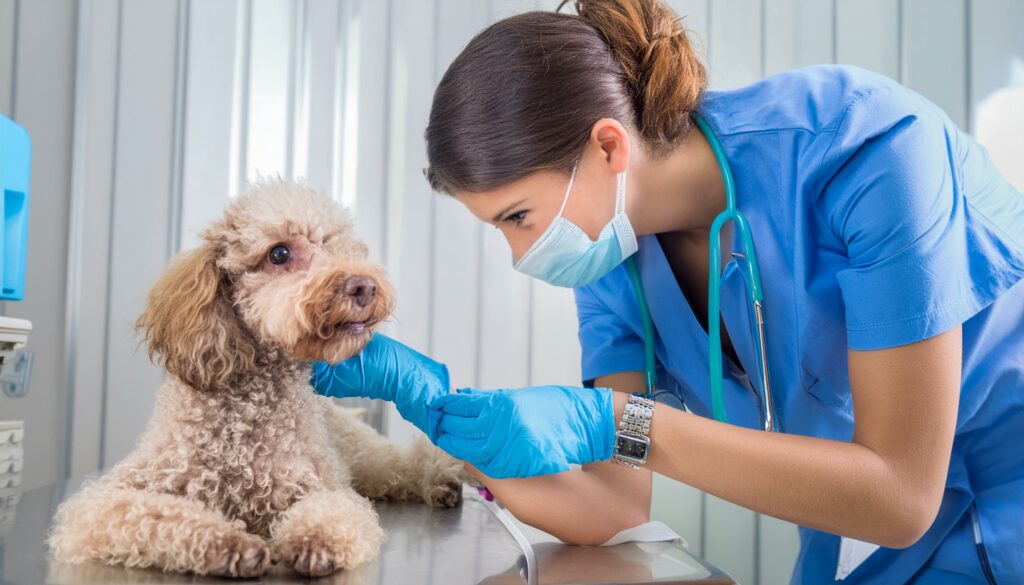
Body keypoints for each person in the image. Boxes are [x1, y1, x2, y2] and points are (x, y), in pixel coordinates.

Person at [311, 1, 1024, 583]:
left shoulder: (870, 150)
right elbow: (613, 503)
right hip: (862, 538)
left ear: (609, 147)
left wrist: (618, 421)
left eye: (518, 218)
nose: (521, 254)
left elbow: (899, 493)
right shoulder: (613, 262)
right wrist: (436, 416)